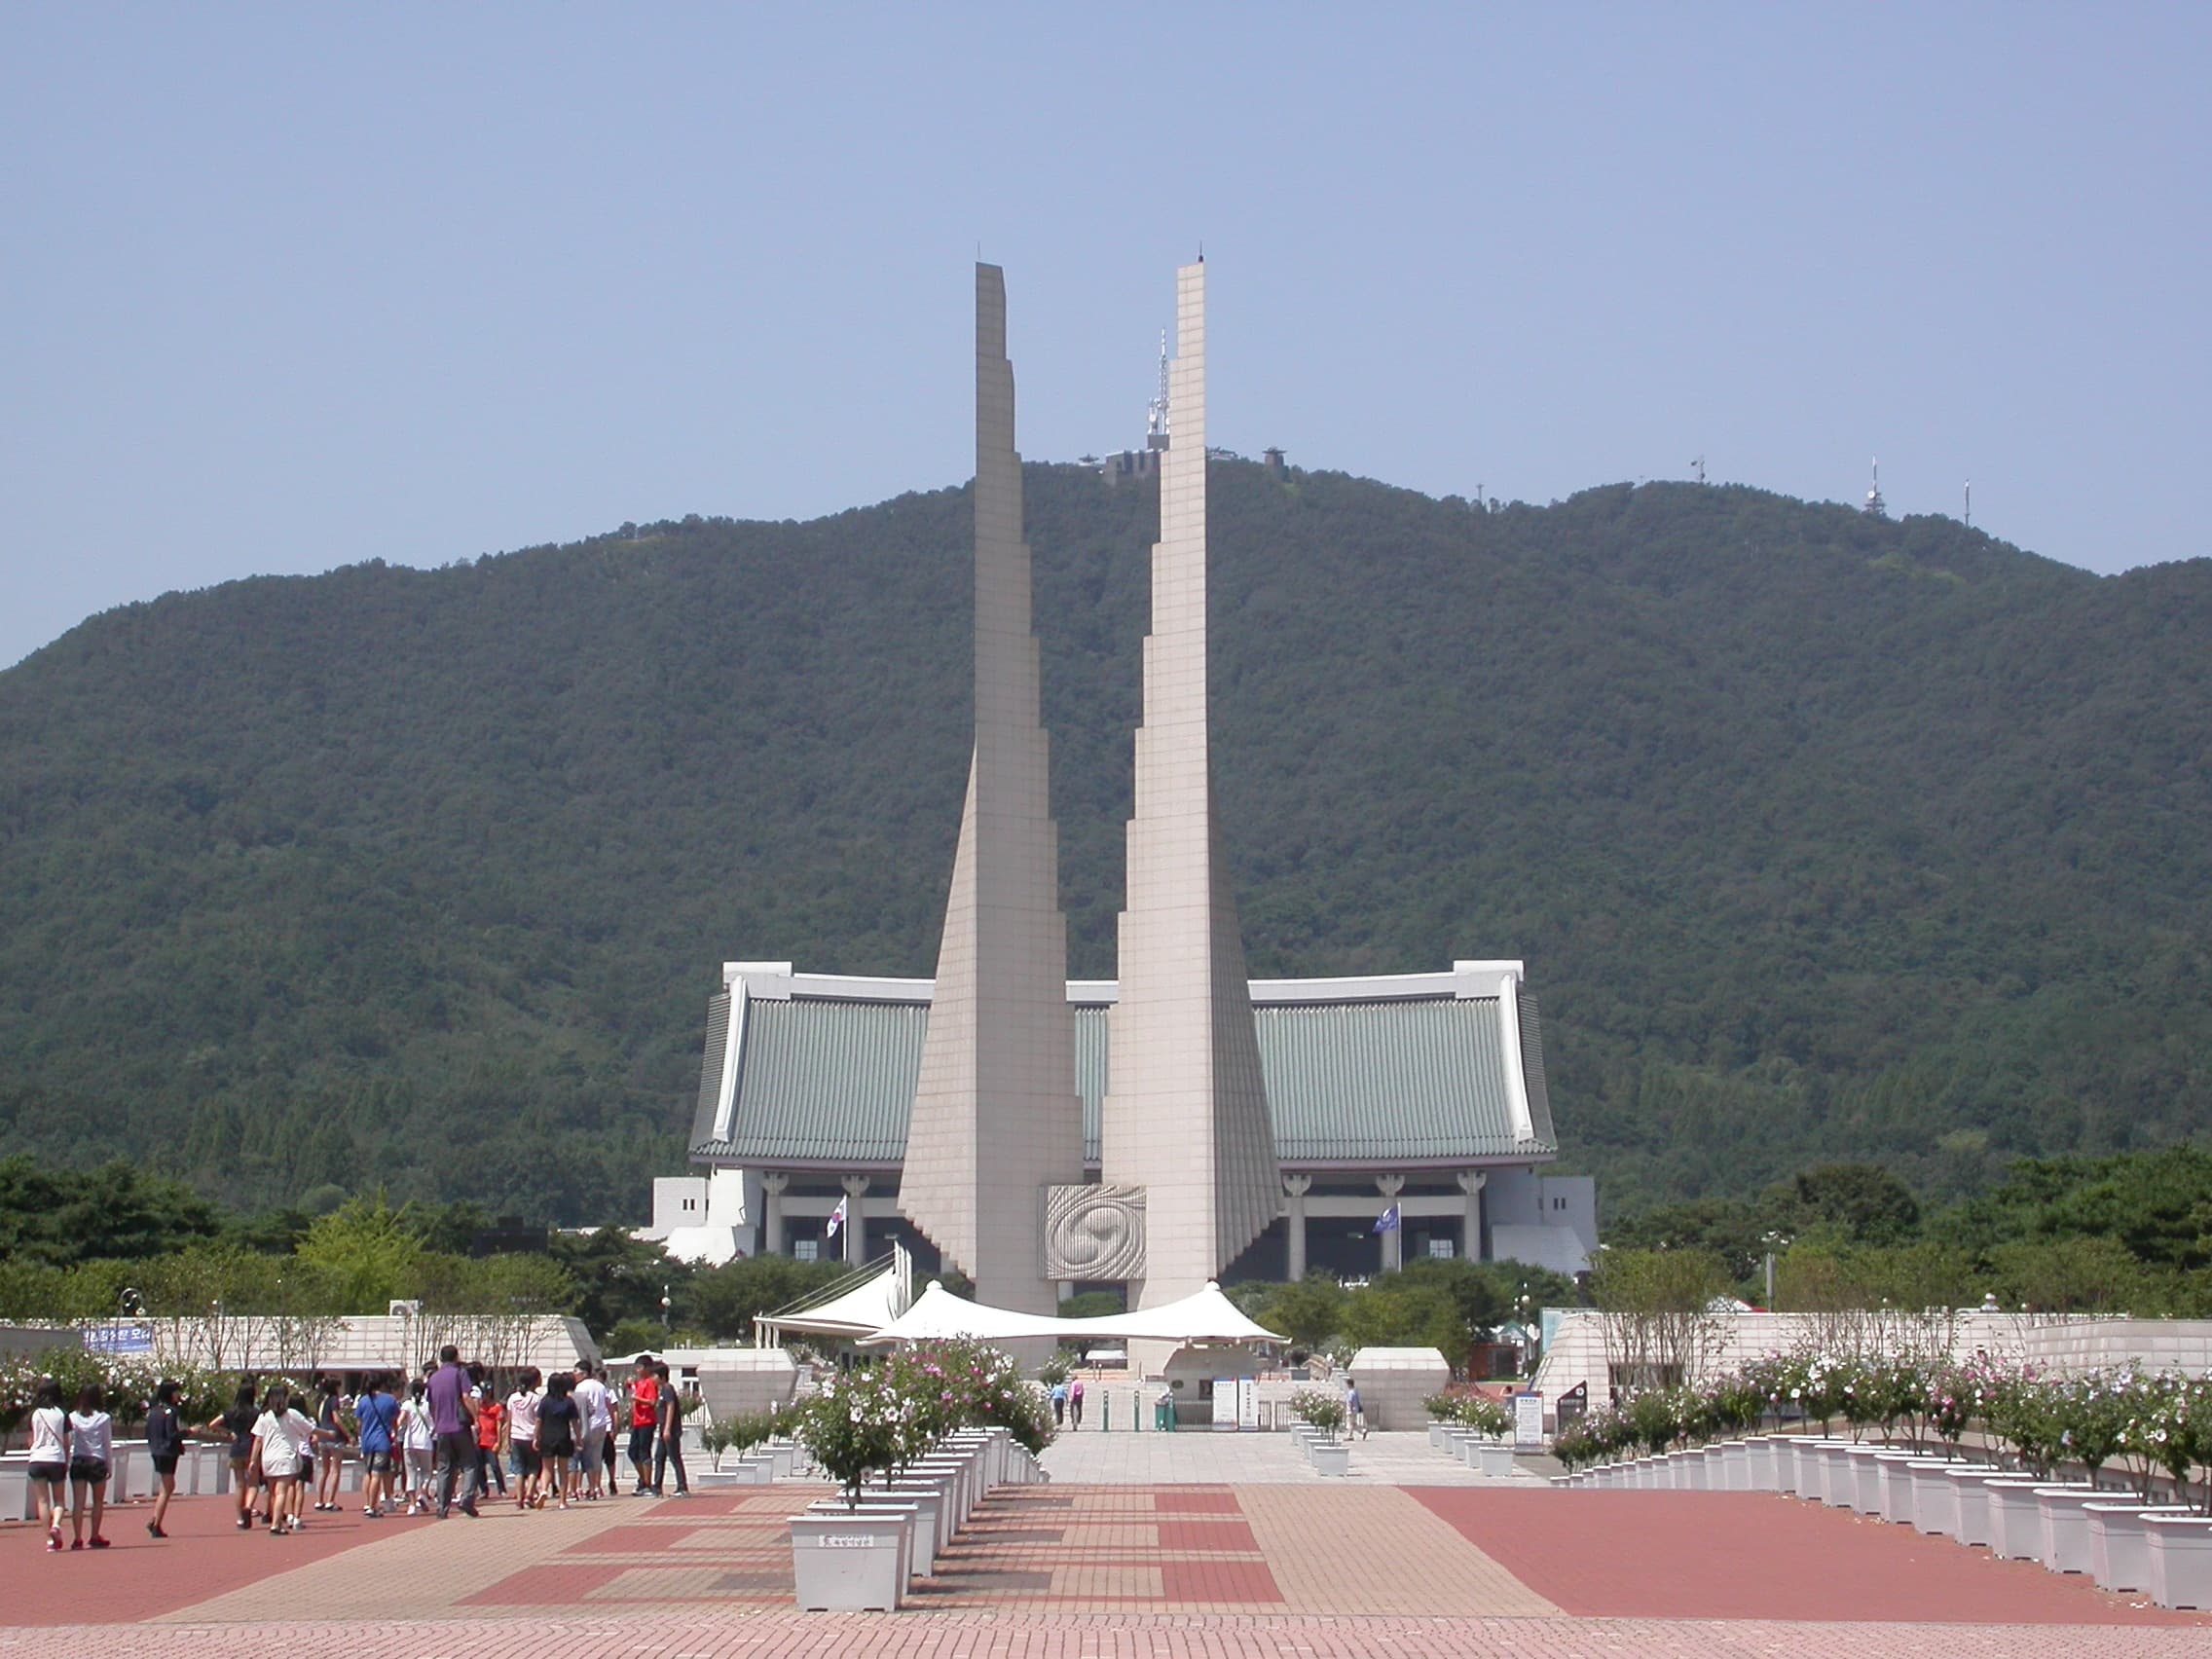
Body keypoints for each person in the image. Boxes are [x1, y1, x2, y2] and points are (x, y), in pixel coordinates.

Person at [251, 1382, 315, 1535]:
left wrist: (254, 1460)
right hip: (285, 1457)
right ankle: (276, 1524)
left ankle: (275, 1519)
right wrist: (328, 1434)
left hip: (268, 1458)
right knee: (281, 1492)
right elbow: (308, 1429)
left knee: (273, 1491)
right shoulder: (290, 1414)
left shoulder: (264, 1416)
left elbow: (258, 1439)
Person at [426, 1344, 480, 1519]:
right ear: (456, 1357)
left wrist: (437, 1422)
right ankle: (467, 1498)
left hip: (442, 1428)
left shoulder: (433, 1378)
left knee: (444, 1468)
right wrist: (476, 1418)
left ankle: (442, 1506)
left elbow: (431, 1405)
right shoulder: (459, 1373)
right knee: (470, 1464)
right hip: (459, 1425)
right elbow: (465, 1397)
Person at [205, 1377, 263, 1530]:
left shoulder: (231, 1412)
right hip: (252, 1449)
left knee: (239, 1485)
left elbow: (212, 1424)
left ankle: (239, 1518)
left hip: (237, 1448)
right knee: (253, 1484)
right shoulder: (257, 1413)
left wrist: (228, 1432)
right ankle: (249, 1507)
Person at [66, 1382, 114, 1550]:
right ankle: (94, 1535)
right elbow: (106, 1443)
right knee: (98, 1501)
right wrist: (109, 1465)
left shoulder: (73, 1417)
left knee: (78, 1502)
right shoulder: (103, 1418)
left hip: (79, 1460)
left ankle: (77, 1538)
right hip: (97, 1461)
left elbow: (70, 1441)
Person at [26, 1378, 70, 1552]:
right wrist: (66, 1459)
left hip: (37, 1458)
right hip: (56, 1458)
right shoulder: (62, 1414)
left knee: (42, 1501)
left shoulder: (35, 1414)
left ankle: (50, 1540)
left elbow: (31, 1439)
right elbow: (66, 1442)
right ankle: (57, 1525)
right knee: (59, 1500)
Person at [354, 1372, 401, 1518]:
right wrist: (394, 1432)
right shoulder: (390, 1400)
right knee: (377, 1474)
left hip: (367, 1441)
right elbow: (395, 1421)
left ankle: (369, 1502)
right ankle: (371, 1506)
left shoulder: (363, 1401)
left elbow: (358, 1424)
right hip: (382, 1441)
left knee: (369, 1473)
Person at [145, 1379, 186, 1538]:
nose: (178, 1395)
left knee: (166, 1486)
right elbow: (172, 1434)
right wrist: (189, 1431)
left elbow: (148, 1432)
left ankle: (156, 1520)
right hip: (167, 1451)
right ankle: (156, 1524)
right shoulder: (170, 1411)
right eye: (176, 1392)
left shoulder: (154, 1410)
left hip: (157, 1450)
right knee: (167, 1488)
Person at [535, 1372, 580, 1508]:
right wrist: (578, 1438)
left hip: (547, 1437)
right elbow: (574, 1423)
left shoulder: (545, 1401)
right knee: (563, 1470)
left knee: (547, 1469)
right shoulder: (568, 1402)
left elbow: (538, 1421)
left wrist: (536, 1437)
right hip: (563, 1437)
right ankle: (562, 1501)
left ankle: (543, 1490)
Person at [571, 1359, 612, 1500]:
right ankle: (595, 1487)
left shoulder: (580, 1388)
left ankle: (578, 1487)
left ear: (583, 1373)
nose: (574, 1374)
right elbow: (607, 1404)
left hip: (587, 1425)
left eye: (576, 1371)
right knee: (597, 1457)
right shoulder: (600, 1386)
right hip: (602, 1424)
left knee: (582, 1458)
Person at [396, 1377, 437, 1514]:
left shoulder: (407, 1404)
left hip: (409, 1443)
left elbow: (400, 1420)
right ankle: (423, 1491)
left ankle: (412, 1505)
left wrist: (401, 1427)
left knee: (411, 1473)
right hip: (425, 1443)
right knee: (427, 1471)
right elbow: (434, 1423)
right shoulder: (428, 1405)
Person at [311, 1376, 350, 1512]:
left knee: (324, 1470)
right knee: (335, 1469)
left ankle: (319, 1500)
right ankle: (330, 1501)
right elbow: (337, 1419)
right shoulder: (333, 1400)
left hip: (322, 1436)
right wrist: (348, 1434)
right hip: (333, 1435)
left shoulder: (320, 1400)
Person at [506, 1368, 543, 1510]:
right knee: (534, 1467)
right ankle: (529, 1495)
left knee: (518, 1469)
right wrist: (537, 1437)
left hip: (515, 1436)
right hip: (530, 1437)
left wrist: (507, 1439)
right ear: (534, 1381)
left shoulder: (513, 1398)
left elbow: (509, 1420)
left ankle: (519, 1498)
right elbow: (539, 1420)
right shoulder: (536, 1399)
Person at [651, 1362, 689, 1497]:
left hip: (670, 1430)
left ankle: (682, 1487)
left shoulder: (668, 1389)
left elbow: (670, 1407)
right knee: (659, 1457)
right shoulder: (662, 1390)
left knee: (674, 1457)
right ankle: (656, 1487)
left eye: (654, 1375)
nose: (652, 1378)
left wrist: (667, 1428)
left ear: (661, 1376)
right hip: (663, 1429)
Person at [626, 1357, 660, 1496]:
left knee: (644, 1451)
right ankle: (643, 1479)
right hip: (637, 1421)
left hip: (647, 1421)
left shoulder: (650, 1383)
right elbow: (632, 1388)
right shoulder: (639, 1383)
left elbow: (652, 1401)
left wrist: (637, 1399)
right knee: (632, 1451)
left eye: (640, 1367)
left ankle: (647, 1483)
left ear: (647, 1368)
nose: (637, 1370)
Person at [472, 1372, 507, 1499]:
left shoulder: (496, 1407)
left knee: (494, 1466)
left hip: (491, 1440)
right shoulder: (478, 1407)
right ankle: (483, 1490)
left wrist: (499, 1441)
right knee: (479, 1467)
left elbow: (499, 1425)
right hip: (479, 1440)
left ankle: (501, 1489)